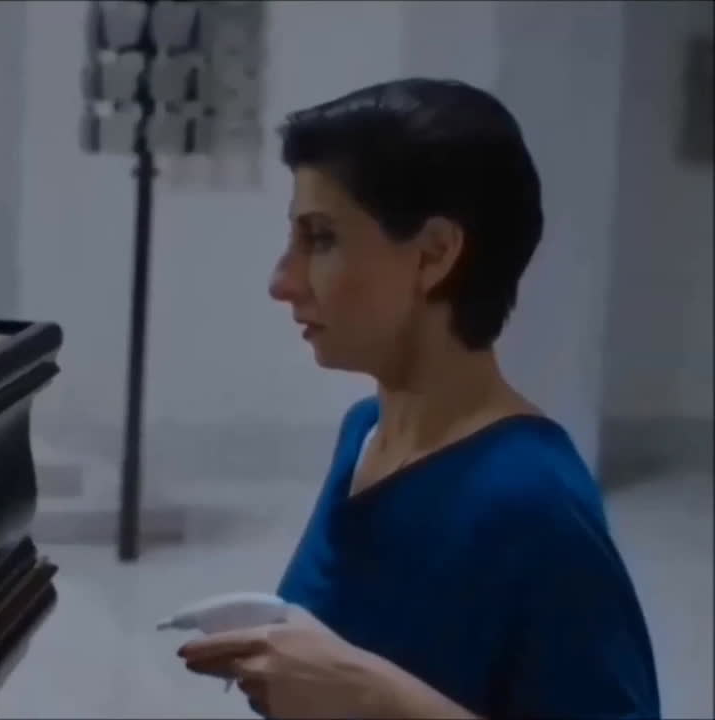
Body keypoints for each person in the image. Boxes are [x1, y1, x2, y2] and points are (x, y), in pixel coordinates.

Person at [176, 79, 659, 718]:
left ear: (434, 255)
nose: (282, 281)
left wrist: (372, 696)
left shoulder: (534, 500)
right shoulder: (363, 433)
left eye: (320, 239)